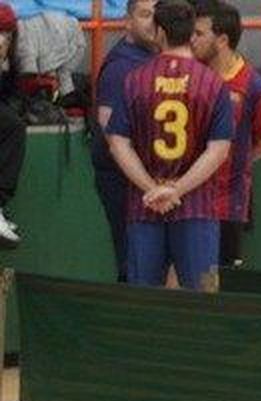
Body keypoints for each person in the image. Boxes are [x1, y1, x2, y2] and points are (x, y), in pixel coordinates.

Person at [106, 0, 235, 290]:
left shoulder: (135, 80)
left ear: (159, 32)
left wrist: (152, 188)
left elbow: (117, 142)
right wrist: (177, 189)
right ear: (191, 34)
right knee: (201, 297)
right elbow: (218, 150)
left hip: (145, 206)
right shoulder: (213, 83)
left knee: (145, 302)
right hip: (198, 206)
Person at [191, 0, 261, 268]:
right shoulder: (189, 77)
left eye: (199, 34)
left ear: (222, 40)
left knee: (222, 278)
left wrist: (234, 164)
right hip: (188, 198)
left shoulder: (254, 87)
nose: (191, 40)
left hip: (229, 201)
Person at [91, 0, 159, 279]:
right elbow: (111, 132)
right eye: (145, 14)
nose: (152, 21)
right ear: (127, 20)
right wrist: (146, 182)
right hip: (125, 181)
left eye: (157, 14)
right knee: (135, 261)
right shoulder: (121, 66)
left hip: (148, 181)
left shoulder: (157, 58)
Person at [0, 3, 24, 248]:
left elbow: (10, 93)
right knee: (12, 127)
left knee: (12, 124)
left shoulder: (10, 56)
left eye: (7, 33)